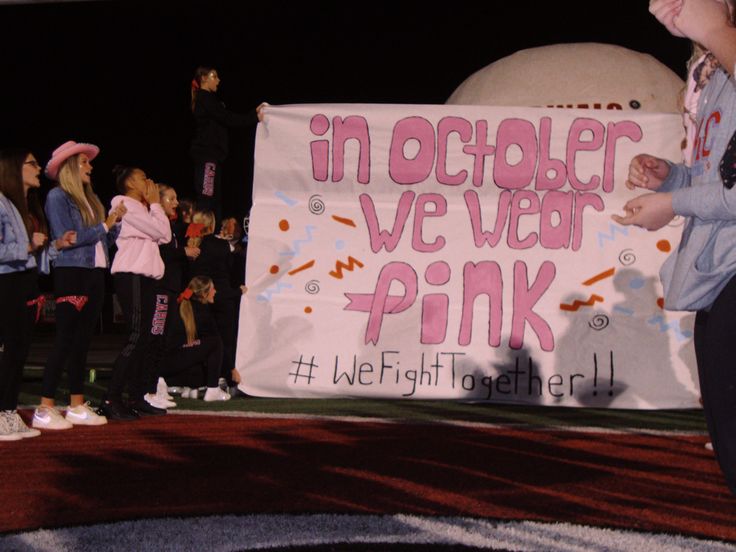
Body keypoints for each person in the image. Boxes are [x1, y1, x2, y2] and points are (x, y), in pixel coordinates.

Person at [614, 0, 736, 495]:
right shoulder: (713, 78)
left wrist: (674, 202)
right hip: (720, 269)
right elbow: (725, 176)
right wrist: (674, 179)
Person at [37, 141, 125, 430]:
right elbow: (68, 237)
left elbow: (101, 241)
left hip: (95, 274)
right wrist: (105, 225)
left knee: (81, 344)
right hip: (72, 272)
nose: (90, 166)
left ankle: (76, 404)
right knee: (65, 340)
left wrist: (117, 225)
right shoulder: (57, 196)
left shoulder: (90, 199)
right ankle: (45, 405)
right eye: (84, 162)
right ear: (70, 168)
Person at [0, 149, 76, 440]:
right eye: (32, 163)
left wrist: (56, 245)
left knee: (19, 351)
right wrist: (27, 246)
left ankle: (8, 411)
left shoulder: (21, 206)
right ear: (13, 169)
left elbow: (34, 256)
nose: (39, 168)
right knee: (9, 351)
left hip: (25, 282)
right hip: (7, 284)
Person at [100, 166, 172, 419]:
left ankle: (137, 396)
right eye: (143, 177)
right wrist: (155, 205)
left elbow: (164, 234)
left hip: (147, 277)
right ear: (130, 182)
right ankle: (112, 396)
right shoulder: (123, 203)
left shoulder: (144, 208)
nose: (149, 181)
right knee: (136, 335)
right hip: (131, 275)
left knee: (144, 338)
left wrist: (153, 208)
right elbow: (161, 233)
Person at [189, 66, 267, 223]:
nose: (218, 80)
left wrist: (253, 115)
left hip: (214, 156)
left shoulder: (209, 99)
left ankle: (212, 235)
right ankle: (197, 237)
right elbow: (227, 117)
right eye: (214, 76)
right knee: (207, 196)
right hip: (207, 156)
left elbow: (225, 117)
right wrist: (253, 116)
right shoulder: (204, 98)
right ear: (204, 78)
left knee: (214, 198)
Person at [187, 210, 246, 390]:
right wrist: (237, 291)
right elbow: (228, 269)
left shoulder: (190, 244)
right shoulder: (218, 245)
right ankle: (225, 377)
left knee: (202, 340)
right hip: (222, 298)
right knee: (225, 340)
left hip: (197, 299)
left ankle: (201, 379)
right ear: (211, 225)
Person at [152, 184, 200, 401]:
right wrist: (183, 251)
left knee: (165, 338)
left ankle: (155, 382)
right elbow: (159, 251)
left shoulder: (172, 226)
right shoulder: (155, 222)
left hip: (171, 287)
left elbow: (192, 229)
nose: (176, 203)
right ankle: (150, 384)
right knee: (156, 336)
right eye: (171, 199)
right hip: (160, 286)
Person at [164, 276, 230, 401]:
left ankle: (187, 387)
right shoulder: (201, 311)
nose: (215, 291)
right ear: (204, 294)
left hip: (168, 363)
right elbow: (216, 344)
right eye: (213, 289)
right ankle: (212, 389)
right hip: (167, 362)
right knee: (215, 342)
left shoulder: (181, 304)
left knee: (200, 366)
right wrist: (231, 370)